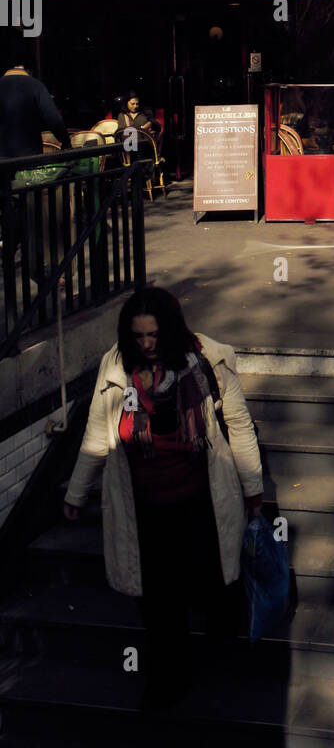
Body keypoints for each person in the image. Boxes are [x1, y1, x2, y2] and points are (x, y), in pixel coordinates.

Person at [63, 287, 264, 712]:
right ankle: (165, 683)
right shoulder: (115, 367)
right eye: (138, 336)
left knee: (206, 582)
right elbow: (97, 433)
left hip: (199, 502)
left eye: (154, 335)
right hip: (143, 507)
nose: (147, 344)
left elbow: (239, 425)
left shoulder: (208, 359)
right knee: (157, 602)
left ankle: (216, 643)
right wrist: (77, 491)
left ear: (169, 330)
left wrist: (253, 487)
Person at [0, 38, 70, 159]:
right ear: (30, 68)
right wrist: (65, 141)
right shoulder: (36, 85)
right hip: (29, 157)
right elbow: (53, 119)